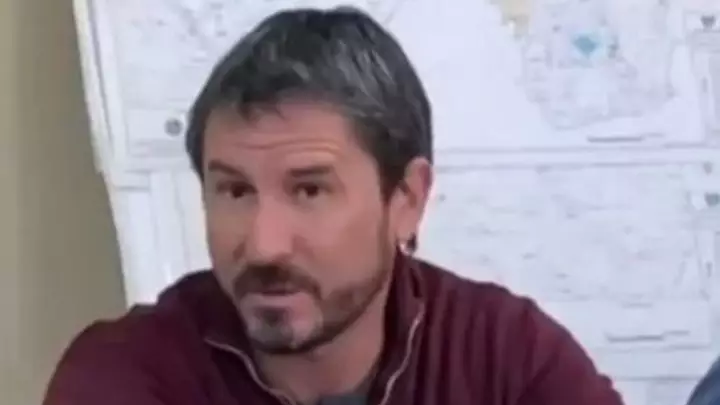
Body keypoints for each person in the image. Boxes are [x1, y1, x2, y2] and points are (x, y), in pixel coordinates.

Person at [43, 6, 624, 405]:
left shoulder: (506, 357)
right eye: (235, 191)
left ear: (407, 198)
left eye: (309, 191)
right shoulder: (128, 374)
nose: (264, 245)